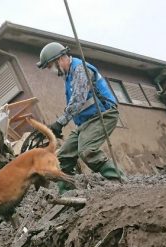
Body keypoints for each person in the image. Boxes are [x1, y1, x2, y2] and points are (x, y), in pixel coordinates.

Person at [37, 42, 125, 191]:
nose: (50, 70)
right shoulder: (68, 75)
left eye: (50, 66)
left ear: (59, 59)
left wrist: (60, 123)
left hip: (103, 114)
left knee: (86, 150)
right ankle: (67, 191)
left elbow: (78, 99)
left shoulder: (80, 70)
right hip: (86, 122)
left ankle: (117, 180)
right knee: (62, 157)